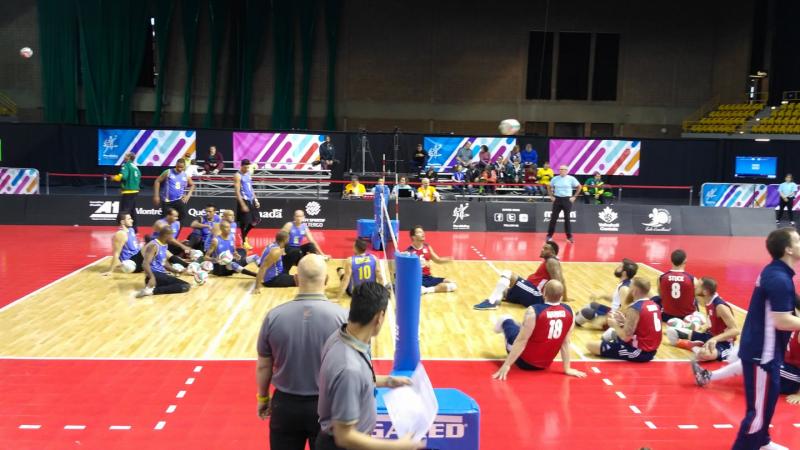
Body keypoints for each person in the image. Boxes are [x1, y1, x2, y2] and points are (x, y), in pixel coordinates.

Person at [257, 254, 348, 450]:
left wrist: (263, 398)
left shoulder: (273, 317)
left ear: (297, 279)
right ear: (326, 280)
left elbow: (264, 365)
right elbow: (352, 369)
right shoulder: (343, 318)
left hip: (285, 406)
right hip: (328, 406)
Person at [315, 282, 422, 450]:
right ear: (379, 317)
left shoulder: (342, 336)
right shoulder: (349, 369)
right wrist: (398, 446)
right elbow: (344, 436)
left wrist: (387, 381)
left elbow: (355, 382)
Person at [729, 227, 800, 450]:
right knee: (757, 412)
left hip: (768, 351)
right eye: (798, 240)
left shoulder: (776, 273)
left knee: (766, 404)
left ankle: (763, 442)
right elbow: (782, 321)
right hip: (763, 354)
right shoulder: (779, 278)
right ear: (788, 249)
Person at [492, 280, 586, 379]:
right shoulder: (569, 311)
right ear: (561, 296)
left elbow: (521, 341)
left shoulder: (533, 310)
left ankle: (504, 320)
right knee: (527, 330)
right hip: (545, 364)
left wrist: (506, 365)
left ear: (544, 293)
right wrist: (567, 369)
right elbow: (566, 342)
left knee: (509, 323)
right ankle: (521, 326)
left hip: (524, 363)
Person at [692, 333, 800, 407]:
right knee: (750, 355)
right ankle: (707, 376)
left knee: (753, 361)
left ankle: (708, 377)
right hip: (785, 366)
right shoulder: (792, 322)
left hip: (794, 377)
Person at [585, 277, 662, 362]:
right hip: (650, 349)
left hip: (639, 352)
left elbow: (626, 337)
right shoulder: (654, 305)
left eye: (630, 287)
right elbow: (644, 326)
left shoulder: (635, 308)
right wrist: (624, 321)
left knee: (590, 345)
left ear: (634, 291)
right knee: (610, 336)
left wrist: (615, 325)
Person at [474, 241, 565, 310]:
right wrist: (565, 297)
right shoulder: (550, 261)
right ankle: (495, 300)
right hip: (531, 292)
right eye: (542, 247)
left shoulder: (552, 261)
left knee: (508, 274)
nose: (542, 249)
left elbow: (558, 282)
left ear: (552, 252)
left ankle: (492, 302)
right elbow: (563, 280)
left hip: (536, 295)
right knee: (503, 291)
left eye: (545, 248)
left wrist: (553, 302)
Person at [667, 277, 739, 360]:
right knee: (671, 332)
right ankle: (697, 345)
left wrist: (715, 339)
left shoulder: (720, 306)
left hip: (723, 343)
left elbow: (736, 330)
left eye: (697, 287)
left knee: (704, 355)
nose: (695, 288)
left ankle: (693, 345)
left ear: (705, 292)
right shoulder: (708, 300)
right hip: (709, 336)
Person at [574, 258, 638, 329]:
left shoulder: (624, 288)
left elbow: (625, 309)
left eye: (620, 267)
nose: (617, 268)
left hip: (614, 320)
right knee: (592, 305)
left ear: (624, 273)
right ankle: (576, 316)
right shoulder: (627, 283)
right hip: (612, 312)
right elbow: (617, 299)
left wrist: (605, 319)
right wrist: (601, 296)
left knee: (586, 312)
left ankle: (572, 321)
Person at [135, 227, 191, 297]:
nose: (173, 238)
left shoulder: (164, 245)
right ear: (166, 235)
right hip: (155, 276)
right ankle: (152, 291)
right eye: (171, 236)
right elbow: (145, 264)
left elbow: (163, 263)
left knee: (180, 285)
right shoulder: (154, 246)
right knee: (185, 286)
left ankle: (151, 289)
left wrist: (175, 270)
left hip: (160, 275)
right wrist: (152, 278)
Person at [651, 249, 698, 322]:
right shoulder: (692, 279)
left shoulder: (661, 278)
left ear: (671, 260)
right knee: (696, 298)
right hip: (687, 317)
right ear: (685, 261)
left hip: (667, 316)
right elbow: (696, 296)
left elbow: (661, 295)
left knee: (656, 297)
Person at [407, 225, 456, 294]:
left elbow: (438, 260)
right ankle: (424, 288)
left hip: (428, 278)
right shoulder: (409, 251)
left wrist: (449, 259)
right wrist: (419, 264)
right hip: (416, 278)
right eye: (419, 232)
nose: (423, 233)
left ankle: (425, 290)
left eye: (423, 232)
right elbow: (407, 270)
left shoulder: (427, 247)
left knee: (452, 284)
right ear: (413, 237)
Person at [546, 165, 581, 243]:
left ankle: (569, 237)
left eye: (563, 169)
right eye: (560, 169)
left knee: (567, 219)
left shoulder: (571, 178)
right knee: (553, 218)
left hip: (567, 200)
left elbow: (579, 187)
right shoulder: (555, 178)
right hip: (557, 199)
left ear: (567, 170)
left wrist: (574, 197)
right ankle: (549, 236)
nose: (561, 170)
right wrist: (551, 196)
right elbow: (549, 186)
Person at [153, 159, 195, 225]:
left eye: (181, 167)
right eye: (178, 166)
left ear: (184, 167)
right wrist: (156, 196)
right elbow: (157, 181)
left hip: (178, 200)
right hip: (167, 201)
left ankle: (175, 233)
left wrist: (188, 196)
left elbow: (192, 185)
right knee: (164, 221)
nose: (179, 169)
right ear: (176, 165)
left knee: (182, 216)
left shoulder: (185, 175)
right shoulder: (168, 172)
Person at [234, 159, 261, 250]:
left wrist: (256, 199)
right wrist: (242, 204)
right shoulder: (237, 176)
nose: (246, 169)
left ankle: (244, 235)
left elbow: (251, 188)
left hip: (251, 199)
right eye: (245, 167)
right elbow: (237, 192)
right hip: (243, 200)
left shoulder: (249, 174)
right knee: (244, 222)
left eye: (248, 167)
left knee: (256, 220)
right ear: (241, 166)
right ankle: (244, 241)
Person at [112, 152, 141, 232]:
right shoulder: (135, 167)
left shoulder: (126, 165)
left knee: (124, 211)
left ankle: (124, 228)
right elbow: (138, 178)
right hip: (135, 191)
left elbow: (123, 177)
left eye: (125, 155)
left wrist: (115, 178)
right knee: (132, 210)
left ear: (129, 157)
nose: (124, 157)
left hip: (128, 191)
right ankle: (135, 229)